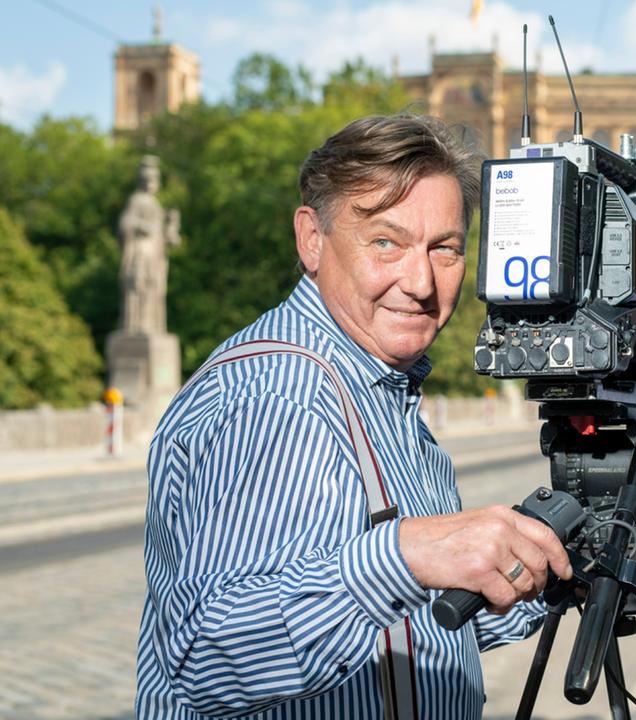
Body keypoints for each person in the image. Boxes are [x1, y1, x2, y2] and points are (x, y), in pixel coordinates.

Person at [135, 114, 579, 718]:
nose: (420, 281)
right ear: (311, 239)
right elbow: (206, 662)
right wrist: (401, 555)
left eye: (444, 249)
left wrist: (556, 573)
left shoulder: (378, 391)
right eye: (386, 243)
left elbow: (412, 632)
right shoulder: (279, 397)